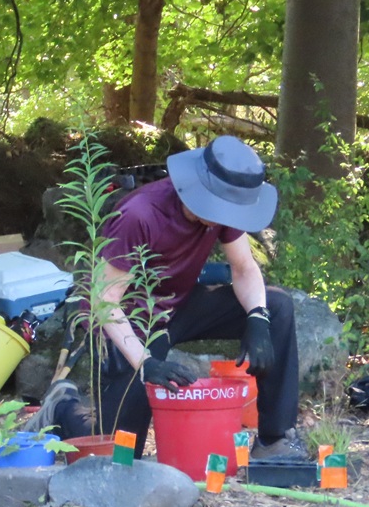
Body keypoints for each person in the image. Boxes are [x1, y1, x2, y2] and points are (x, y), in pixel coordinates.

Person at [26, 136, 308, 461]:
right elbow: (104, 299)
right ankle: (64, 407)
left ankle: (275, 440)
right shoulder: (140, 215)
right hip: (131, 319)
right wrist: (146, 363)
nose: (223, 217)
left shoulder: (223, 212)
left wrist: (258, 318)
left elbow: (244, 268)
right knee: (119, 454)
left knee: (277, 306)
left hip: (181, 304)